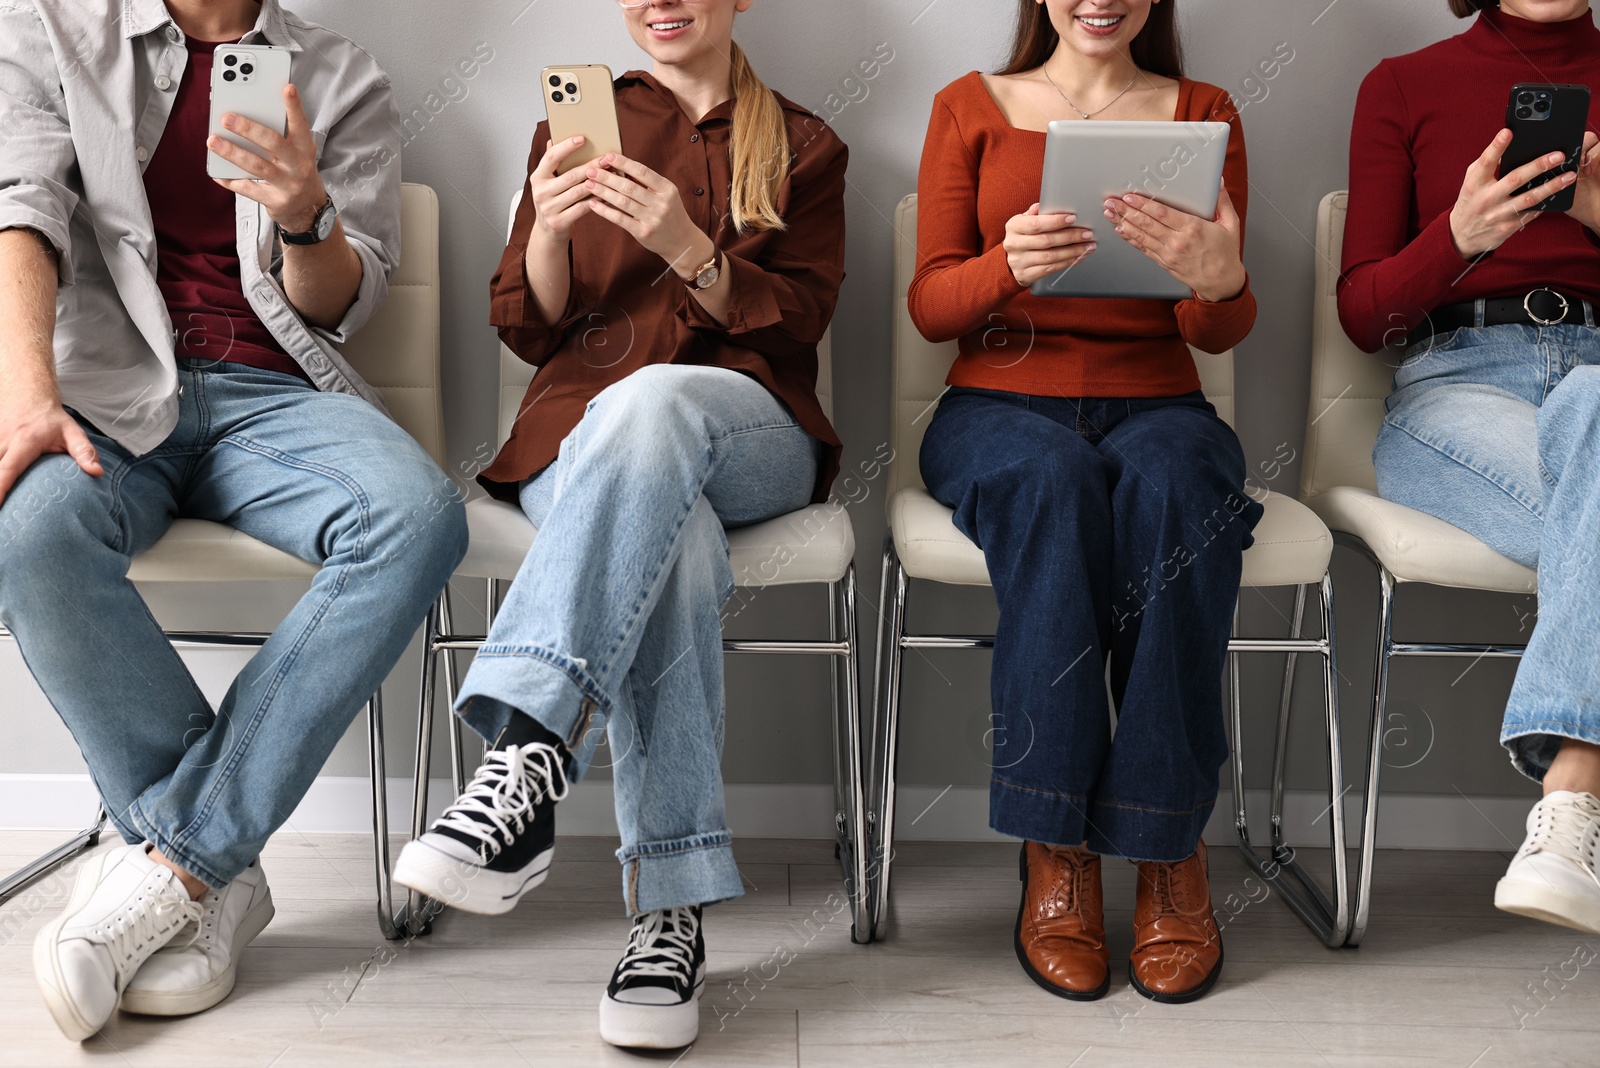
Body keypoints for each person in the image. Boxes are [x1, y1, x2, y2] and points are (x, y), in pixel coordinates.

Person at [0, 0, 466, 1041]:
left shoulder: (343, 74)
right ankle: (215, 870)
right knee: (28, 530)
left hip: (275, 396)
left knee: (420, 516)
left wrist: (306, 215)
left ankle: (175, 863)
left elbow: (345, 302)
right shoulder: (46, 26)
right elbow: (17, 208)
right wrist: (27, 396)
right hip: (108, 391)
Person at [391, 0, 846, 1049]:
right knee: (669, 542)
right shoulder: (574, 124)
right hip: (578, 439)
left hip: (747, 429)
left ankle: (523, 751)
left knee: (653, 404)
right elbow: (524, 325)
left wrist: (689, 248)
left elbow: (801, 316)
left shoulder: (806, 143)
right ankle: (669, 916)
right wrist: (549, 227)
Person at [909, 0, 1261, 1004]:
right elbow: (930, 303)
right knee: (1056, 485)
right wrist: (1000, 269)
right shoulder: (967, 108)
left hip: (1159, 402)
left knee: (1179, 485)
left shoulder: (1205, 113)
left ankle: (1166, 846)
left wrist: (1218, 277)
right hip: (995, 404)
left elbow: (1219, 330)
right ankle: (1054, 843)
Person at [1340, 0, 1600, 933]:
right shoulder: (1402, 85)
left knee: (1597, 405)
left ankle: (1573, 797)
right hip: (1455, 383)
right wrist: (1460, 236)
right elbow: (1367, 317)